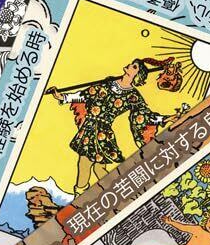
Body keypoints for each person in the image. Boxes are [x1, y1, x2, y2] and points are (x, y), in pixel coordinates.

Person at [50, 57, 170, 194]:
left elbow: (144, 114)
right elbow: (85, 95)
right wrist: (63, 97)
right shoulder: (108, 83)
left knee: (87, 163)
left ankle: (81, 193)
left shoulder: (133, 95)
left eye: (135, 67)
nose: (130, 65)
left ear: (138, 75)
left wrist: (164, 119)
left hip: (102, 131)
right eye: (132, 64)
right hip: (89, 127)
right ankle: (119, 190)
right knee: (97, 167)